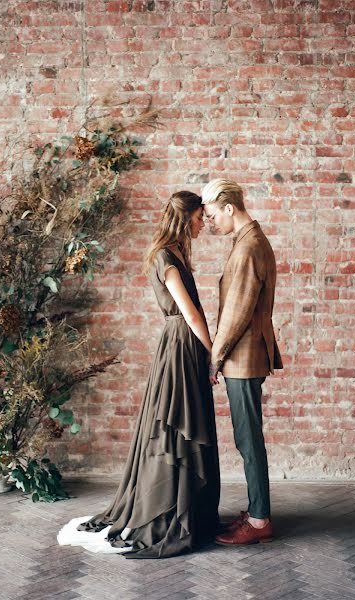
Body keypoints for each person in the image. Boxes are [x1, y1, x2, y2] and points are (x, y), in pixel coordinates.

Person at [58, 191, 220, 559]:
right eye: (199, 218)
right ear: (184, 219)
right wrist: (214, 354)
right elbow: (190, 314)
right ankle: (167, 506)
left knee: (182, 420)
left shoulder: (173, 254)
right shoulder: (166, 257)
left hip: (182, 343)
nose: (203, 224)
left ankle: (187, 505)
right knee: (178, 422)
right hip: (182, 343)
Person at [201, 178, 283, 545]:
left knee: (248, 438)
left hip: (243, 357)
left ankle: (260, 519)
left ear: (230, 208)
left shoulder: (249, 246)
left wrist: (215, 358)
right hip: (246, 354)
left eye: (214, 214)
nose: (211, 222)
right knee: (247, 436)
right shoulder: (249, 240)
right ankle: (256, 510)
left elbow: (236, 312)